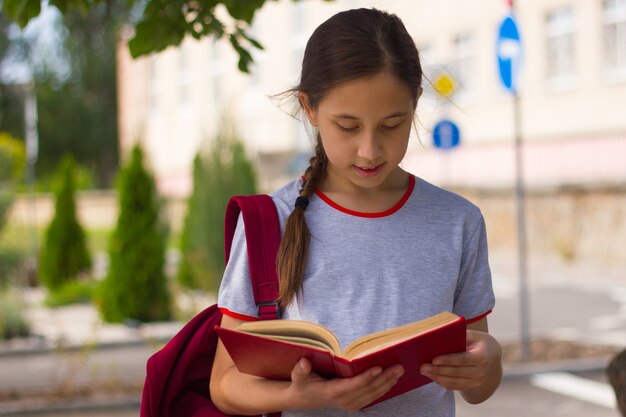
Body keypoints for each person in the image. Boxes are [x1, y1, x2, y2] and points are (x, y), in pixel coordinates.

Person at [210, 7, 502, 417]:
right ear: (309, 109)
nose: (369, 149)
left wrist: (488, 364)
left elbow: (478, 386)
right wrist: (298, 397)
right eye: (347, 127)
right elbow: (224, 383)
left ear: (416, 103)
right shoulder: (269, 220)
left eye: (391, 125)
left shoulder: (458, 223)